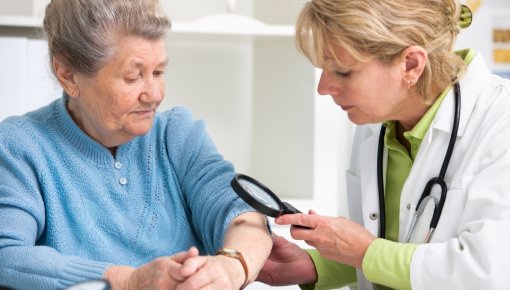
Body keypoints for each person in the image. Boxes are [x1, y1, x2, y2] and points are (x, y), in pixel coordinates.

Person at [0, 0, 272, 289]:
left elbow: (242, 216)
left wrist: (231, 267)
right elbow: (7, 254)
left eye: (158, 72)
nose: (154, 94)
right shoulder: (21, 145)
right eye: (133, 77)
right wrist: (127, 281)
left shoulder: (177, 135)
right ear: (68, 75)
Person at [256, 0, 510, 289]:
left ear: (411, 64)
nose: (323, 88)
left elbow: (488, 271)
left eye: (342, 72)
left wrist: (364, 252)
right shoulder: (376, 123)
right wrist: (315, 265)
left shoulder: (500, 124)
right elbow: (395, 243)